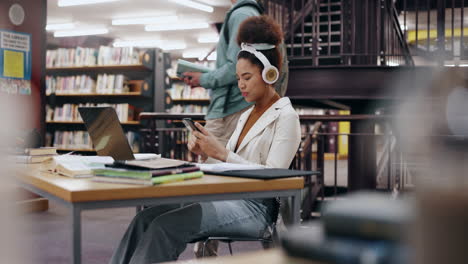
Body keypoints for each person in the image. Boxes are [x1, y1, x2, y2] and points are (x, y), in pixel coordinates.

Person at [108, 15, 301, 264]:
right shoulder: (245, 115)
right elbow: (230, 166)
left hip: (256, 209)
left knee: (165, 226)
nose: (241, 85)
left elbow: (275, 178)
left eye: (247, 77)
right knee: (144, 219)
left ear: (270, 74)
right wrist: (204, 152)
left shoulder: (286, 117)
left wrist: (221, 153)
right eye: (238, 78)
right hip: (227, 196)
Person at [182, 0, 264, 148]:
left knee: (211, 160)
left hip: (230, 107)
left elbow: (236, 68)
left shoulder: (241, 15)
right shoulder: (249, 13)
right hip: (237, 103)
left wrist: (204, 79)